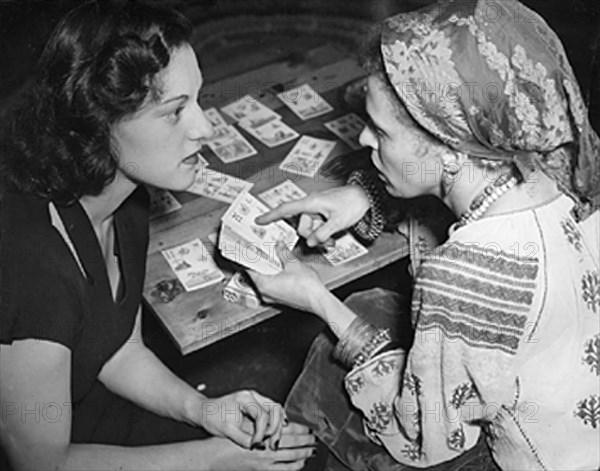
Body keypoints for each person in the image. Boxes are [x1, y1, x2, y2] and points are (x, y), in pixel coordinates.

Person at [249, 0, 600, 469]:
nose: (364, 142)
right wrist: (363, 199)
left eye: (379, 130)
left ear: (451, 143)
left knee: (341, 346)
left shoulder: (461, 274)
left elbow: (420, 432)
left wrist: (319, 302)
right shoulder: (556, 170)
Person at [0, 2, 315, 470]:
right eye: (174, 112)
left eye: (198, 100)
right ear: (98, 121)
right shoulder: (33, 269)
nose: (204, 129)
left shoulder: (128, 201)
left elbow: (117, 347)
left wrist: (204, 409)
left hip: (93, 421)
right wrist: (210, 460)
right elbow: (41, 462)